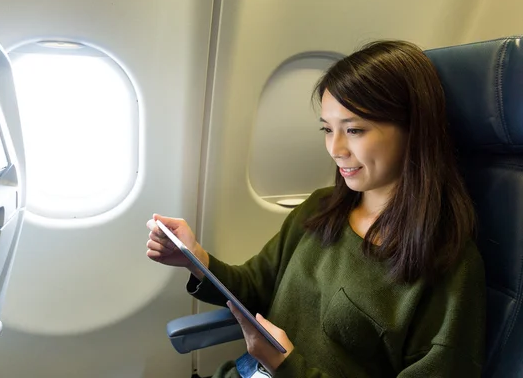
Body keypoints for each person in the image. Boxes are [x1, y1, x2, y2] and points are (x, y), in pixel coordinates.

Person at [145, 40, 486, 377]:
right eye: (327, 129)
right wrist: (196, 259)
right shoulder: (321, 209)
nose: (335, 148)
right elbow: (254, 286)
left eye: (353, 130)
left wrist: (287, 366)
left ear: (413, 130)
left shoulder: (448, 264)